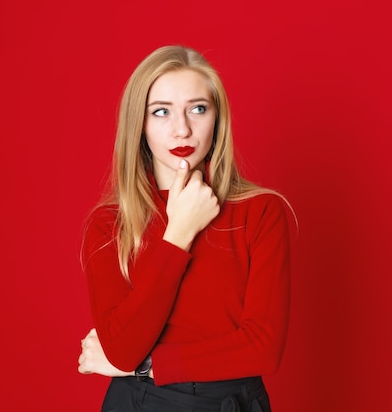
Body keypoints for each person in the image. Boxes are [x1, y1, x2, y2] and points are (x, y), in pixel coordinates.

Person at [77, 45, 292, 412]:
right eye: (161, 112)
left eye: (198, 108)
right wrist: (179, 233)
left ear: (217, 119)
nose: (182, 129)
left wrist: (147, 366)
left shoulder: (261, 211)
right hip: (139, 404)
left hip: (231, 402)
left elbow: (263, 348)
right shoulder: (109, 224)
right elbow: (122, 347)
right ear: (139, 125)